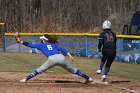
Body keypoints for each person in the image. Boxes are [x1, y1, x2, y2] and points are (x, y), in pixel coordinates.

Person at [14, 32, 93, 83]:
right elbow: (63, 49)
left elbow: (30, 45)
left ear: (44, 40)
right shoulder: (53, 45)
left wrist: (20, 41)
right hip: (61, 57)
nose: (41, 40)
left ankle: (25, 79)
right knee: (74, 70)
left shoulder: (41, 45)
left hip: (52, 59)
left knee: (39, 70)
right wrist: (69, 55)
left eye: (42, 39)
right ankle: (88, 78)